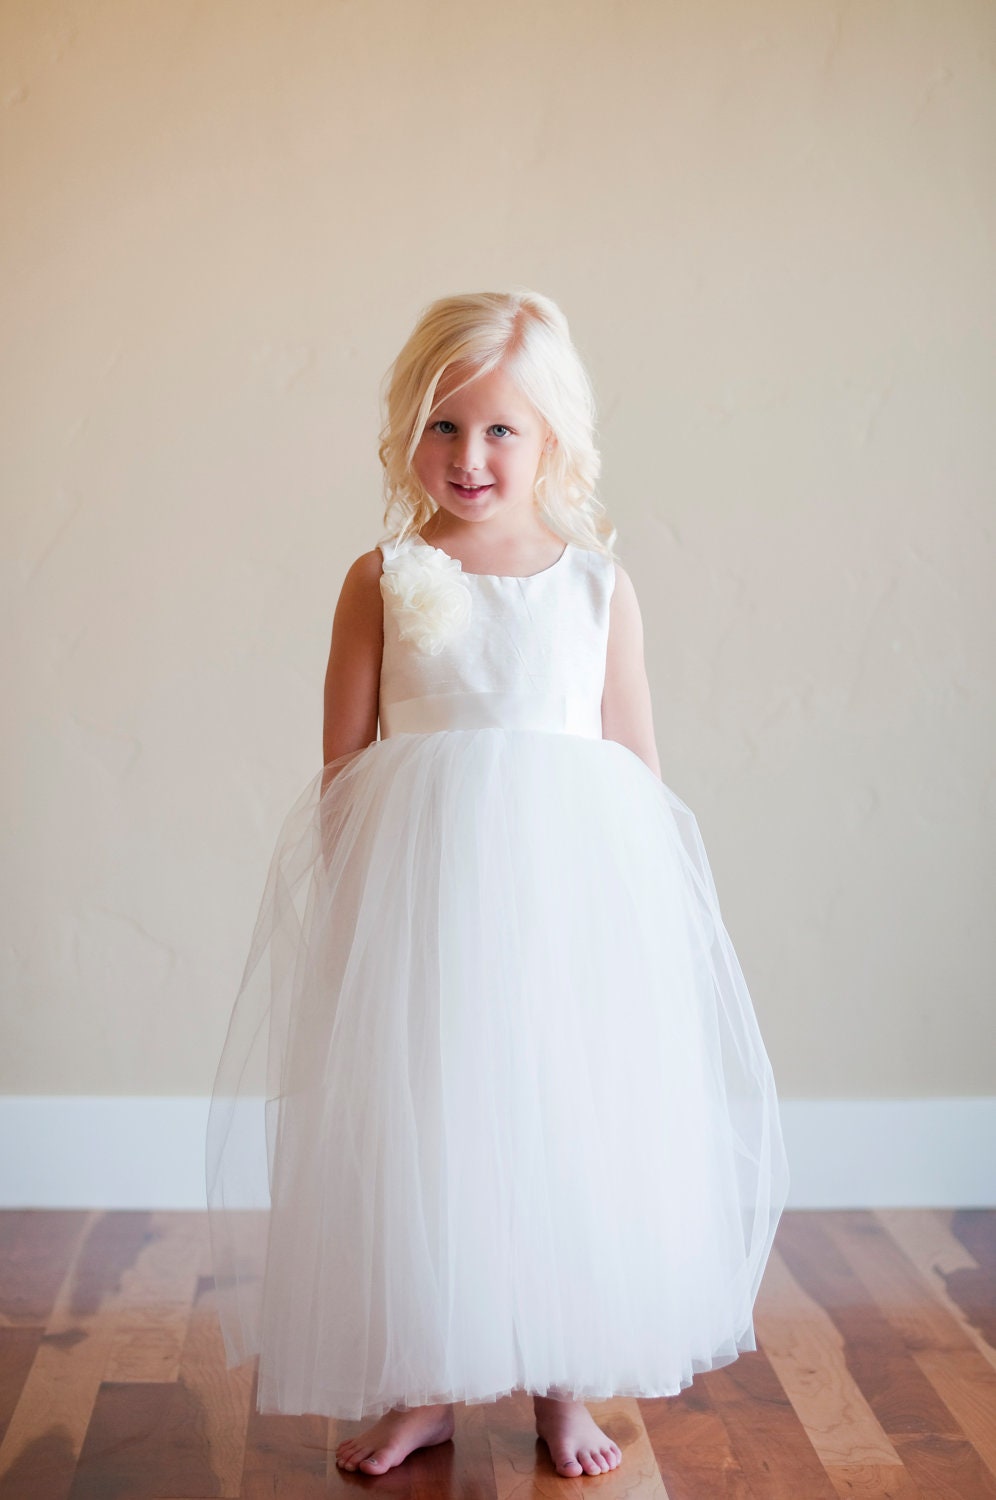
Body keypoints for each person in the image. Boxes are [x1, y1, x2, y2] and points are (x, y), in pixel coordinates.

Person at [206, 289, 790, 1480]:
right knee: (431, 1130)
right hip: (423, 919)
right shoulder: (383, 577)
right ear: (406, 436)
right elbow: (346, 760)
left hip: (569, 916)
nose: (468, 457)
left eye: (499, 430)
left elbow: (636, 763)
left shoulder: (596, 587)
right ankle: (427, 1383)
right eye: (442, 428)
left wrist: (651, 918)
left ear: (554, 439)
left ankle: (563, 1389)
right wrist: (356, 907)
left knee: (559, 1125)